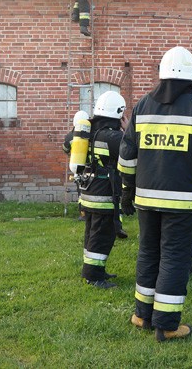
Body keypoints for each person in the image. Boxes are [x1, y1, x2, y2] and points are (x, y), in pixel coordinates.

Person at [118, 46, 192, 342]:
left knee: (148, 252)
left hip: (146, 201)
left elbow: (127, 154)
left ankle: (142, 315)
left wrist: (127, 190)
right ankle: (166, 324)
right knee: (176, 257)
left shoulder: (142, 106)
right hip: (182, 202)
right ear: (191, 75)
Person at [78, 91, 127, 288]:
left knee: (91, 233)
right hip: (104, 195)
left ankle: (94, 270)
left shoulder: (84, 132)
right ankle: (94, 276)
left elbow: (67, 146)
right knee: (102, 236)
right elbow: (136, 150)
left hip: (87, 192)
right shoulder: (113, 137)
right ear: (119, 113)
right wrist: (128, 129)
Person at [64, 110, 90, 222]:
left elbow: (65, 149)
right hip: (90, 167)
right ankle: (92, 211)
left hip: (77, 167)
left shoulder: (70, 136)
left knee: (81, 191)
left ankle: (83, 214)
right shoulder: (91, 134)